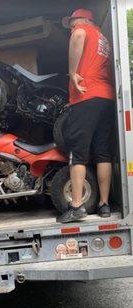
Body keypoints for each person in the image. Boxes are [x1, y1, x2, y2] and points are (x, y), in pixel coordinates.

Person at [58, 9, 115, 223]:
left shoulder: (83, 30)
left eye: (72, 22)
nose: (72, 28)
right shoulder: (103, 38)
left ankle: (76, 206)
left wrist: (72, 72)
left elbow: (78, 36)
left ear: (84, 20)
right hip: (106, 97)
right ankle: (104, 203)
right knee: (103, 152)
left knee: (77, 153)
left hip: (87, 96)